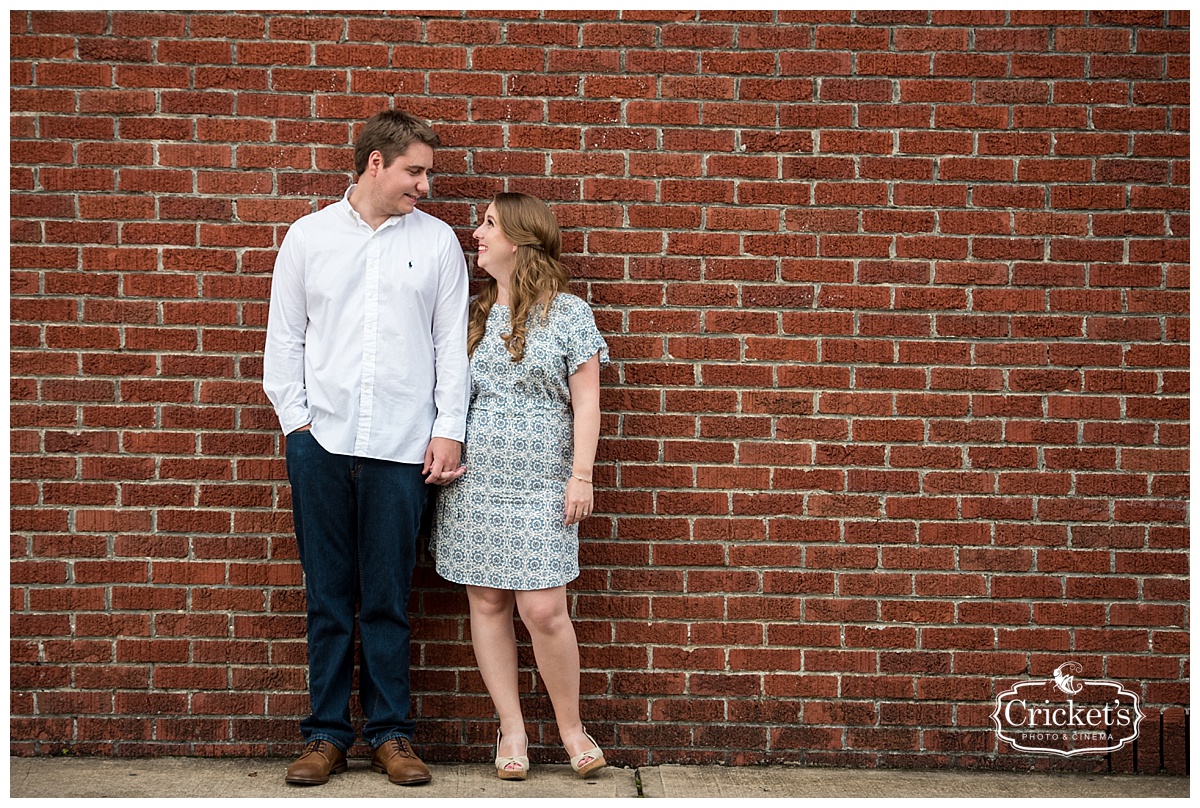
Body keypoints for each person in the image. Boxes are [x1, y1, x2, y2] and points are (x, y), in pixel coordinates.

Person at [262, 109, 469, 787]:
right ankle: (325, 735)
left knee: (387, 598)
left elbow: (449, 346)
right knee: (327, 596)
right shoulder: (308, 236)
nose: (425, 186)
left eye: (428, 173)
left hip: (404, 446)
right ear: (375, 163)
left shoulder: (436, 243)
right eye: (416, 171)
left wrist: (447, 429)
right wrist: (298, 425)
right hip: (321, 442)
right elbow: (285, 339)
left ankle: (390, 735)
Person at [431, 193, 609, 781]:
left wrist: (580, 474)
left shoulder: (569, 313)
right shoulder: (473, 313)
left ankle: (570, 727)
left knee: (544, 608)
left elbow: (587, 403)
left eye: (488, 225)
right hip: (477, 483)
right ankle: (511, 729)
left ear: (520, 239)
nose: (476, 234)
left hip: (543, 483)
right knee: (487, 601)